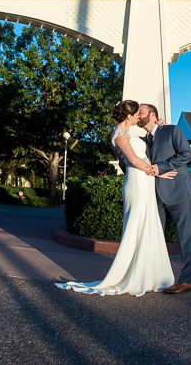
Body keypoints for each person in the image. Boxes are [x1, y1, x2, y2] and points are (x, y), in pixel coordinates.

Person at [57, 100, 177, 296]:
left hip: (145, 181)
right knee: (136, 226)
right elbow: (133, 160)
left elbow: (149, 143)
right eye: (138, 113)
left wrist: (159, 127)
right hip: (137, 183)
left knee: (148, 225)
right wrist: (159, 172)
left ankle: (152, 273)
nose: (140, 116)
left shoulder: (131, 133)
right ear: (129, 116)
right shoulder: (119, 135)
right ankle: (133, 274)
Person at [138, 103, 191, 294]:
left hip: (179, 191)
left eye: (140, 112)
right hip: (156, 195)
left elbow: (187, 154)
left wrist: (160, 167)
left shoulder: (172, 130)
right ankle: (158, 277)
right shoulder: (143, 139)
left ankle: (187, 280)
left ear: (152, 115)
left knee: (187, 237)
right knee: (156, 237)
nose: (137, 115)